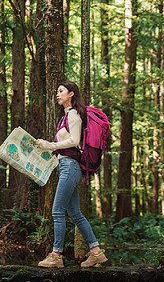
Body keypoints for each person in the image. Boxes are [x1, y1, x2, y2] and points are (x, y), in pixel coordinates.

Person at [36, 81, 108, 268]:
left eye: (61, 91)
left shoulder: (74, 114)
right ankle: (97, 253)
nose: (57, 94)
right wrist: (47, 149)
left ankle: (56, 255)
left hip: (70, 167)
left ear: (71, 94)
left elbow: (75, 141)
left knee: (57, 211)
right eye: (56, 91)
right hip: (65, 166)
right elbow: (66, 145)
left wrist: (50, 145)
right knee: (75, 213)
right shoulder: (65, 117)